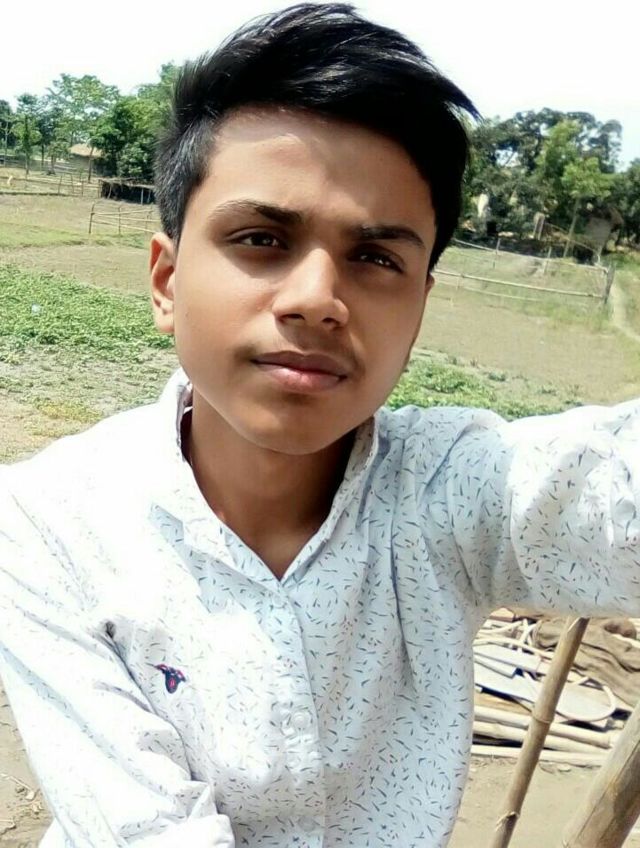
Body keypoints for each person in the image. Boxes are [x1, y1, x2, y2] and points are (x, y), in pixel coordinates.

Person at [0, 4, 638, 847]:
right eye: (261, 238)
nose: (316, 300)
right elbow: (144, 831)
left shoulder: (451, 494)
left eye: (375, 258)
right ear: (166, 281)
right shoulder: (48, 524)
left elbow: (611, 491)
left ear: (419, 307)